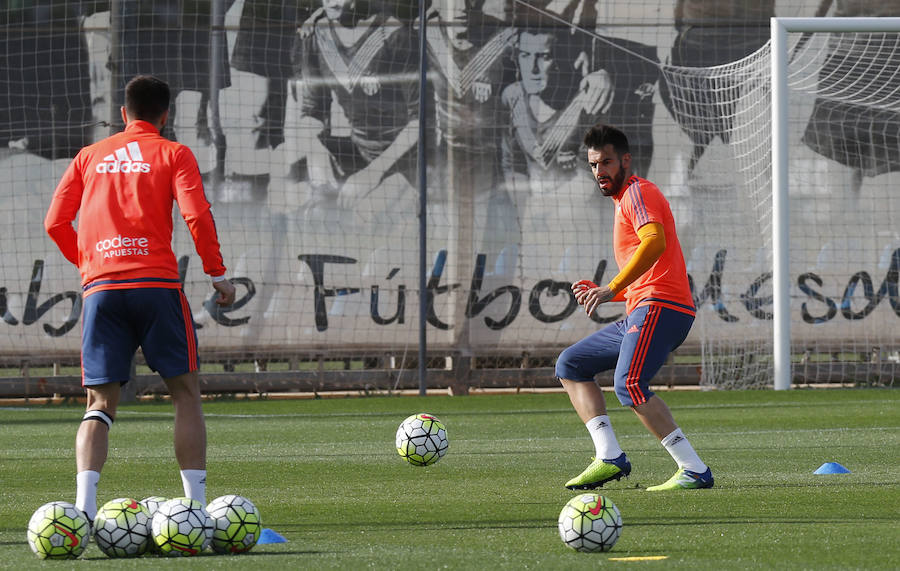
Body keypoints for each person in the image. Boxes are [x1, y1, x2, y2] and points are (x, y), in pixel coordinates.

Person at [44, 75, 236, 520]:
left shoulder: (89, 156)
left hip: (102, 290)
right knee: (185, 393)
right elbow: (196, 213)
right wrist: (218, 274)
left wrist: (91, 264)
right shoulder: (174, 153)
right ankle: (195, 509)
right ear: (165, 116)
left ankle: (83, 511)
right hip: (157, 287)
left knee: (99, 404)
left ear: (124, 113)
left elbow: (55, 222)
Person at [557, 124, 713, 491]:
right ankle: (609, 455)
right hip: (645, 307)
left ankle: (693, 468)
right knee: (571, 364)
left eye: (607, 162)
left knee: (629, 383)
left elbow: (654, 242)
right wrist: (616, 292)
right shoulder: (623, 200)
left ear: (625, 160)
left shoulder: (637, 193)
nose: (600, 171)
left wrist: (611, 288)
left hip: (662, 305)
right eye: (594, 164)